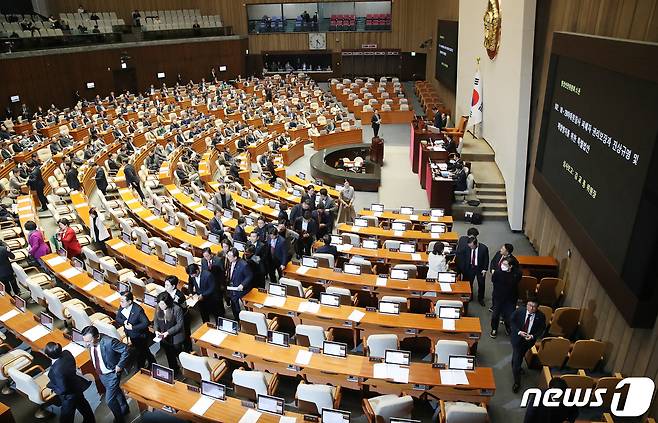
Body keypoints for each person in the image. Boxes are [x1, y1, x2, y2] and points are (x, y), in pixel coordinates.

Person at [81, 325, 130, 423]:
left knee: (110, 400)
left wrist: (120, 365)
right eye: (85, 341)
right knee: (115, 390)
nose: (86, 344)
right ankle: (125, 407)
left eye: (89, 341)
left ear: (97, 336)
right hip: (101, 373)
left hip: (112, 373)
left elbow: (126, 349)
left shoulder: (109, 341)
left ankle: (120, 419)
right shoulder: (90, 343)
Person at [44, 342, 95, 423]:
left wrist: (54, 389)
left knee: (66, 418)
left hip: (69, 395)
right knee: (83, 405)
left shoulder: (56, 371)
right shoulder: (67, 353)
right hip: (76, 385)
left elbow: (63, 389)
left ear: (48, 356)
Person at [510, 297, 546, 393]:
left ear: (537, 307)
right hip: (517, 339)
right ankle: (517, 382)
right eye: (529, 305)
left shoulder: (541, 316)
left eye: (534, 307)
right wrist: (518, 332)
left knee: (520, 355)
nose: (531, 308)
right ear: (527, 305)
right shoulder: (520, 311)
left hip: (528, 341)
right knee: (517, 360)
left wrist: (533, 336)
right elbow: (512, 321)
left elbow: (542, 329)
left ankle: (515, 364)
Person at [115, 292, 155, 370]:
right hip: (131, 335)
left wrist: (133, 327)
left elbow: (146, 323)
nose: (121, 303)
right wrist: (124, 322)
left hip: (140, 335)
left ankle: (141, 367)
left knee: (142, 351)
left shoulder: (138, 310)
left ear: (129, 301)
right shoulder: (122, 306)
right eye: (120, 301)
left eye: (122, 301)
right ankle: (152, 363)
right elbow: (117, 318)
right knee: (144, 351)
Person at [153, 292, 185, 374]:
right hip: (163, 336)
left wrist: (168, 332)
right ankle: (174, 369)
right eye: (160, 304)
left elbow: (179, 325)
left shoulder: (177, 309)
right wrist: (156, 330)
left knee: (179, 354)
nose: (161, 306)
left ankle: (185, 369)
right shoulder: (158, 307)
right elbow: (156, 321)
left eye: (163, 304)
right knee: (169, 354)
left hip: (175, 336)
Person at [490, 257, 521, 338]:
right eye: (502, 264)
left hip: (510, 298)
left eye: (505, 264)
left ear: (511, 266)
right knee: (495, 315)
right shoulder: (497, 273)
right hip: (499, 297)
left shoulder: (517, 273)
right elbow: (493, 281)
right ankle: (494, 329)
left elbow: (516, 281)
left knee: (509, 315)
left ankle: (508, 326)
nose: (502, 265)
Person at [457, 236, 489, 306]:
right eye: (469, 246)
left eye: (472, 246)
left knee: (481, 284)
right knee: (468, 283)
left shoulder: (484, 248)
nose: (470, 248)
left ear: (476, 244)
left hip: (480, 269)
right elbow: (460, 252)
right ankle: (469, 296)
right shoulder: (467, 247)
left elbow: (486, 259)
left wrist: (484, 269)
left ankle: (480, 298)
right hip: (470, 267)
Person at [226, 247, 252, 320]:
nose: (227, 258)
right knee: (234, 305)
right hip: (232, 287)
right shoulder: (229, 262)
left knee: (246, 306)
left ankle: (249, 319)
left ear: (235, 257)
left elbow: (249, 276)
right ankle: (237, 319)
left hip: (241, 289)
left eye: (229, 256)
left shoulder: (243, 265)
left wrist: (242, 284)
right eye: (227, 255)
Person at [201, 248, 225, 318]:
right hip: (208, 283)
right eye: (204, 256)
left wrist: (222, 284)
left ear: (211, 254)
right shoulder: (203, 260)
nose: (206, 258)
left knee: (219, 299)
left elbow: (222, 273)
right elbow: (203, 271)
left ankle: (222, 313)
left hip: (217, 282)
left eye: (207, 256)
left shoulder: (218, 260)